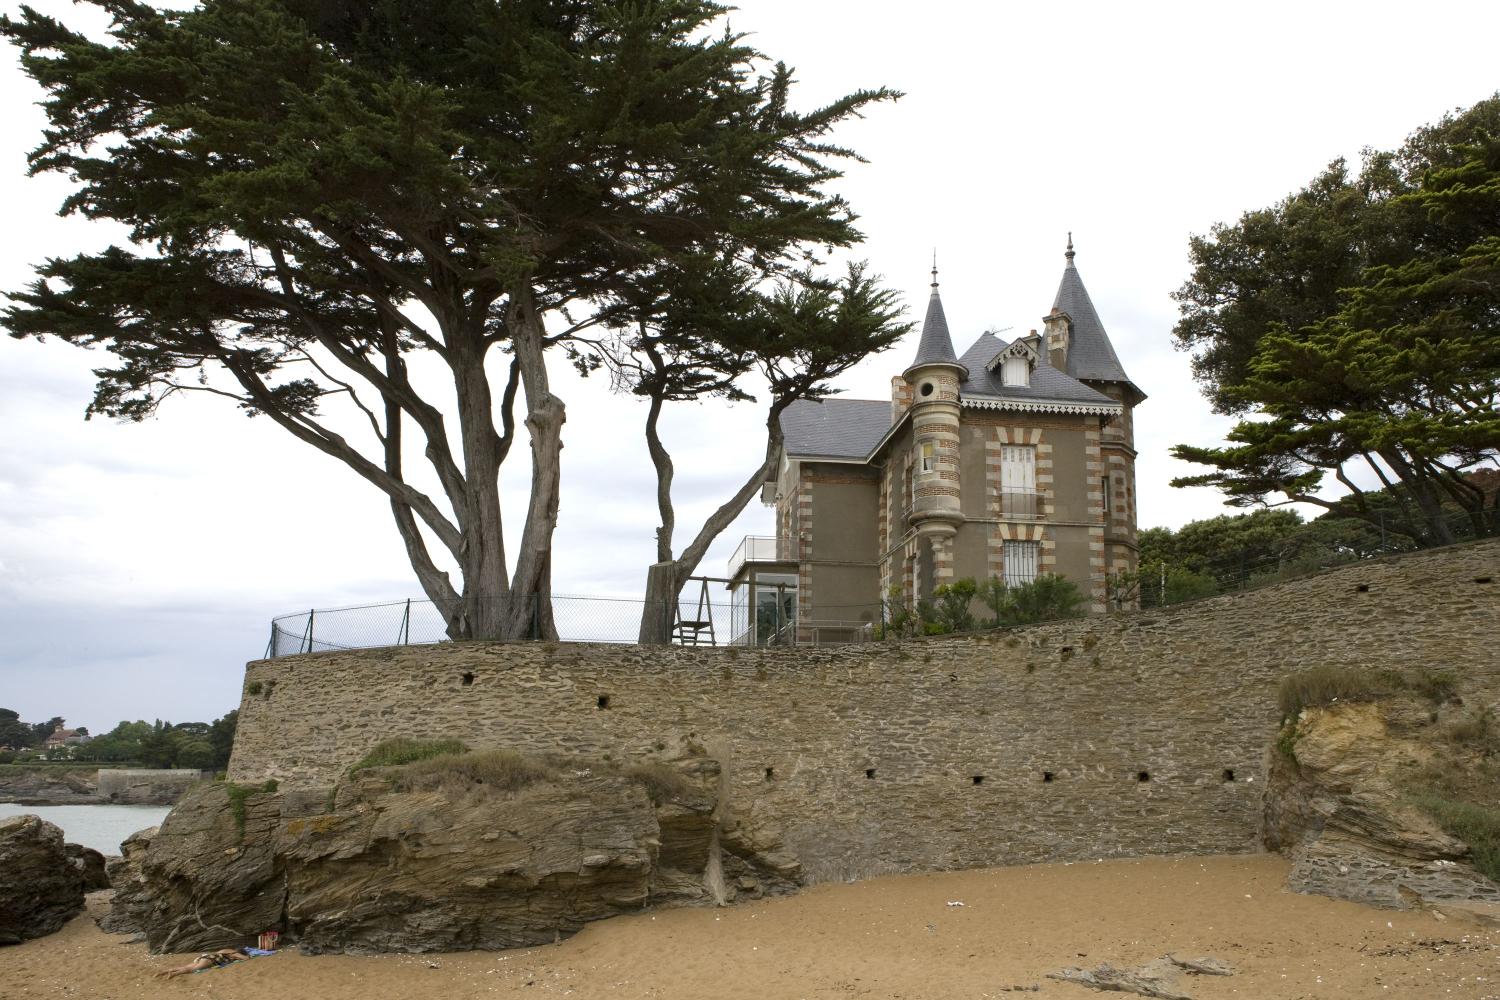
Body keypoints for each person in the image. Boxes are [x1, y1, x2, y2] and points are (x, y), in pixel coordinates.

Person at [154, 946, 271, 979]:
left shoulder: (225, 950)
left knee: (186, 966)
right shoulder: (234, 953)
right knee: (190, 970)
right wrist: (245, 955)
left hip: (205, 956)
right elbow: (246, 959)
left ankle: (164, 971)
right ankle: (174, 974)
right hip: (210, 960)